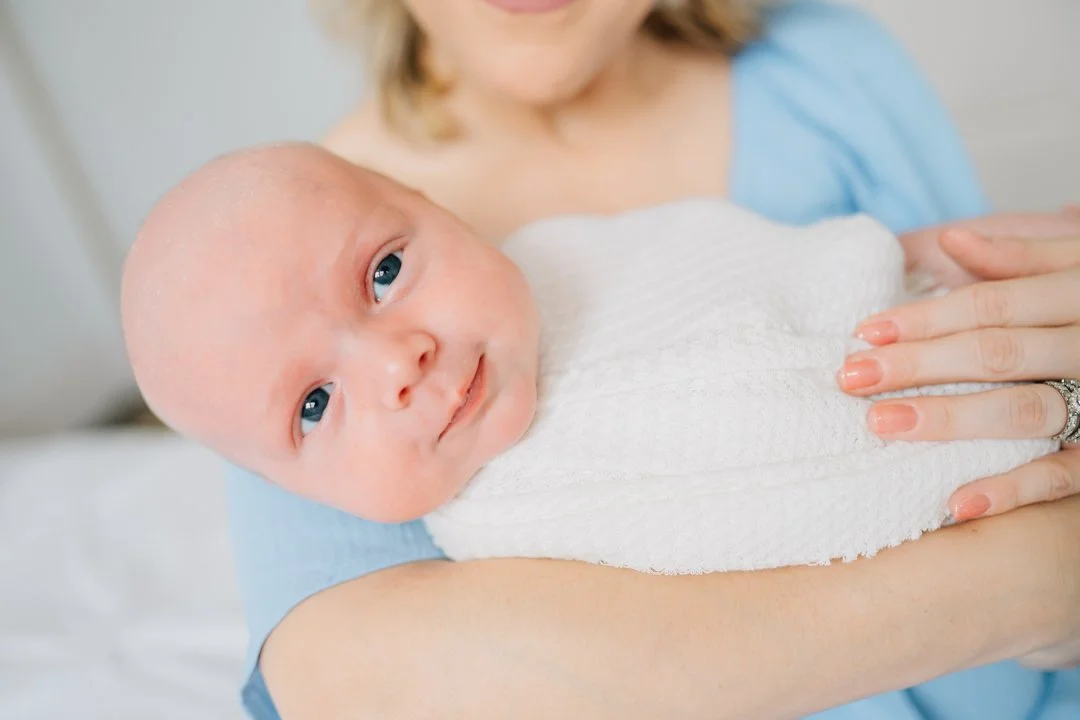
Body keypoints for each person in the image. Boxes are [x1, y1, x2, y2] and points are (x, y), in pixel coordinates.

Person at [222, 1, 1080, 718]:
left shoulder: (827, 74)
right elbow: (363, 685)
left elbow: (1005, 398)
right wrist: (1033, 579)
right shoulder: (285, 257)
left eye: (388, 273)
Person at [124, 142, 1062, 575]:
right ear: (288, 492)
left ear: (435, 206)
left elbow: (794, 268)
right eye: (316, 405)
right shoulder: (493, 554)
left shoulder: (575, 256)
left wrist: (893, 274)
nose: (397, 363)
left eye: (384, 272)